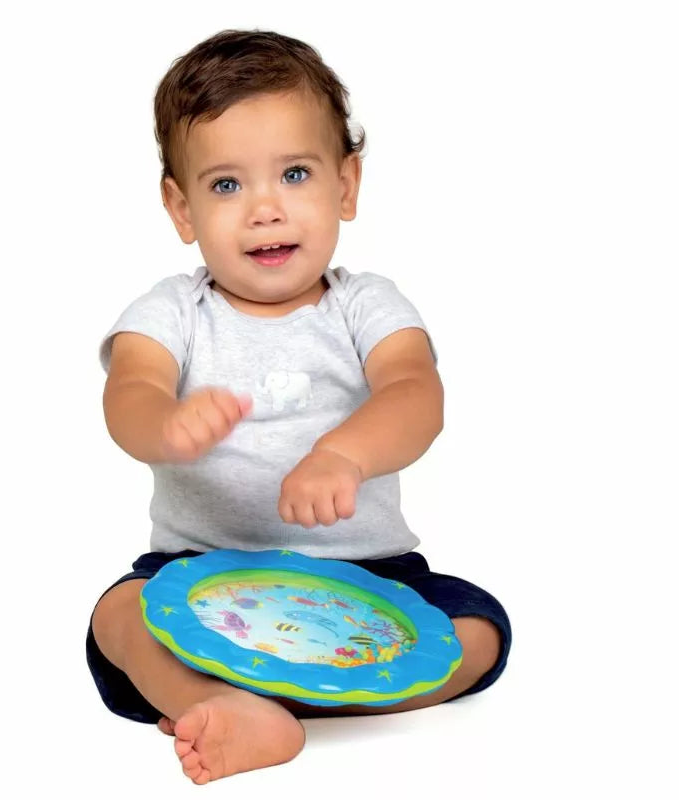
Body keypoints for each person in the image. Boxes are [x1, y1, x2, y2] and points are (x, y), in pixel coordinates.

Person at [87, 28, 512, 785]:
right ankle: (230, 699)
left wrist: (345, 453)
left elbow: (416, 393)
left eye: (294, 173)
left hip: (367, 576)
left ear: (346, 186)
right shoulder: (172, 312)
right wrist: (164, 423)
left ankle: (261, 700)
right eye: (225, 186)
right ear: (180, 209)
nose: (265, 210)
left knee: (478, 632)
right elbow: (130, 391)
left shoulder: (366, 305)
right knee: (117, 618)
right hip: (199, 575)